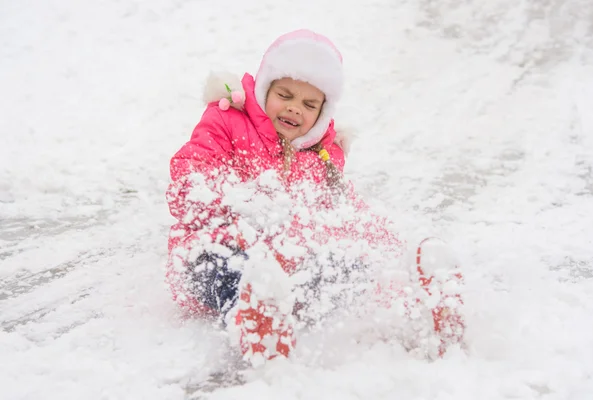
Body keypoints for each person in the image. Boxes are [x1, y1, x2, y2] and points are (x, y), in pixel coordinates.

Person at [165, 29, 464, 366]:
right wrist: (239, 204)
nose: (294, 109)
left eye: (309, 104)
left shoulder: (319, 154)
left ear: (323, 110)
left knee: (347, 268)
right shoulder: (227, 120)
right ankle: (259, 327)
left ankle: (415, 308)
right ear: (264, 88)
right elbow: (190, 173)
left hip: (287, 263)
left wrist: (390, 251)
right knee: (236, 271)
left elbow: (345, 212)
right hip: (212, 250)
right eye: (285, 94)